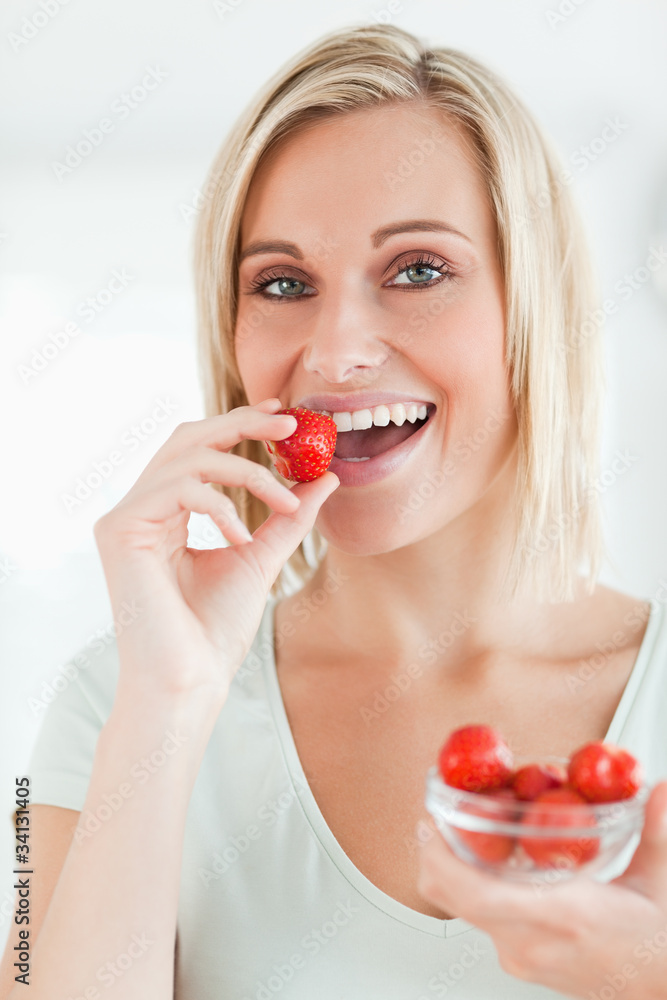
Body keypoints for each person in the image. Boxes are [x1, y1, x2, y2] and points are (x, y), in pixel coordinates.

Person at [2, 22, 667, 1000]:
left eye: (417, 270)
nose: (336, 349)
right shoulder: (109, 699)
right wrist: (167, 708)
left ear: (535, 308)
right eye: (282, 283)